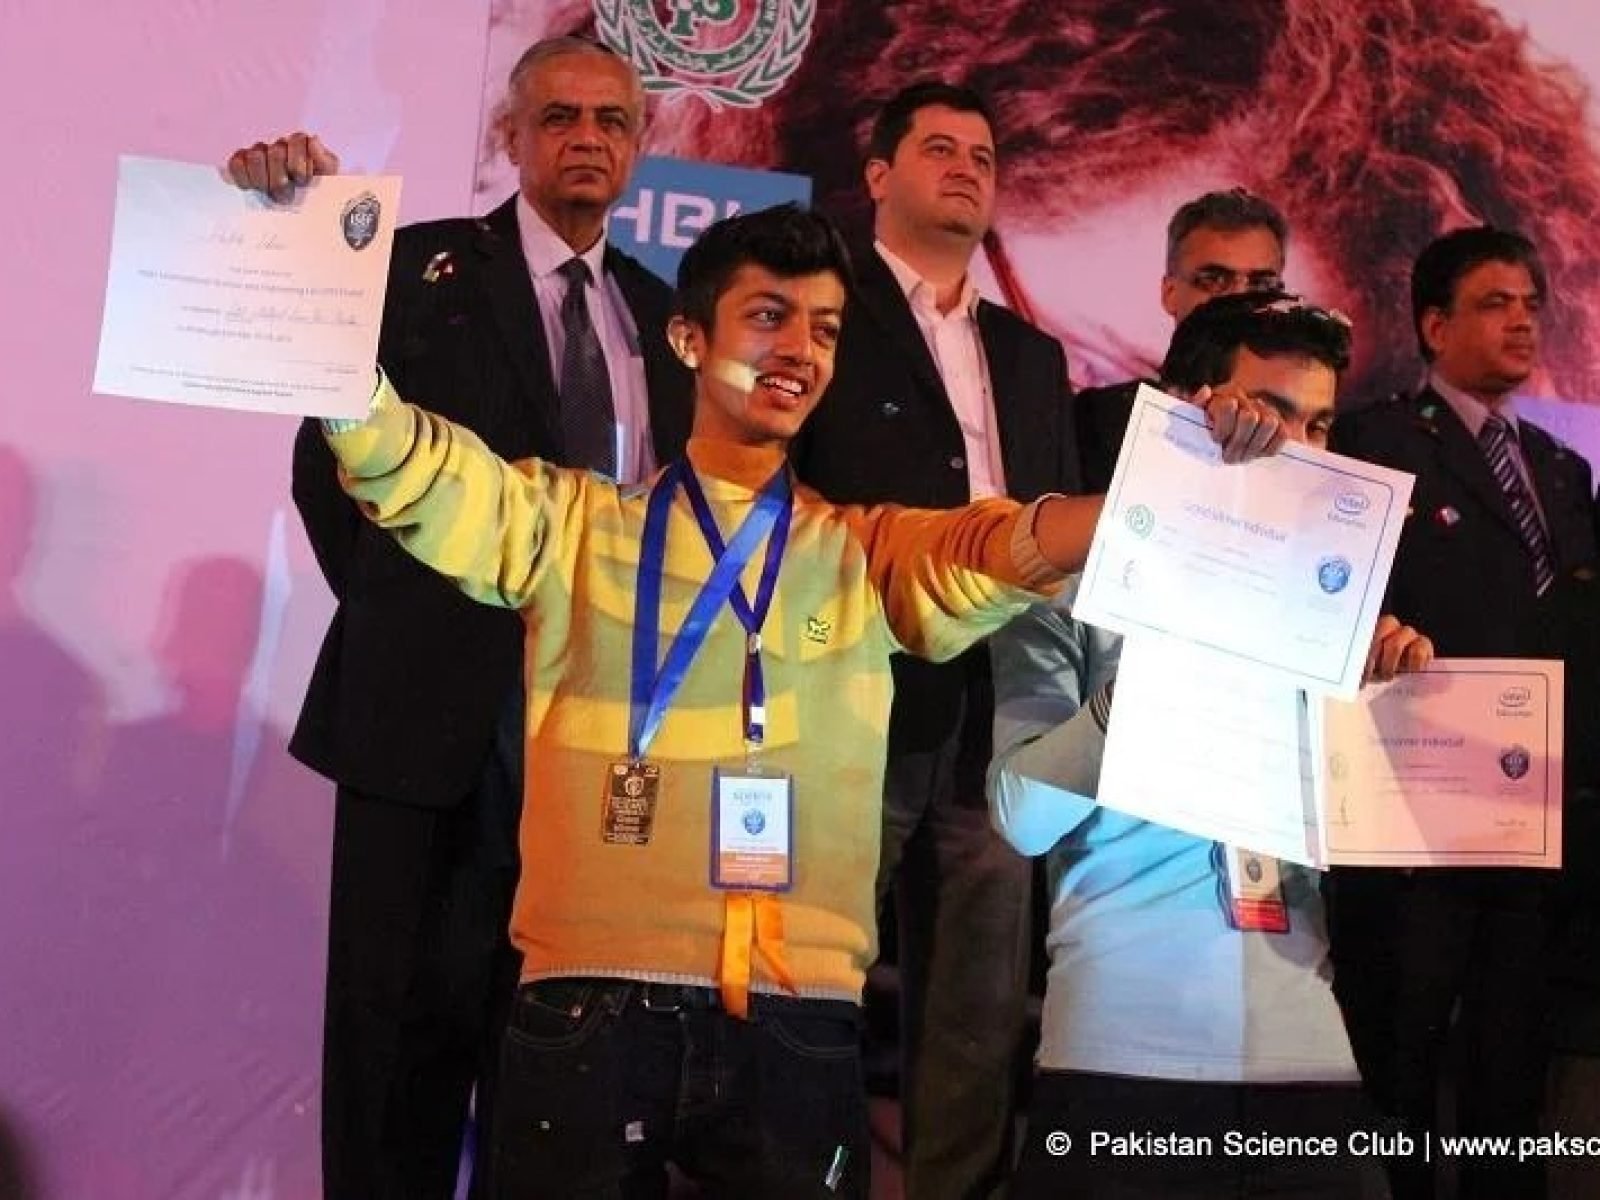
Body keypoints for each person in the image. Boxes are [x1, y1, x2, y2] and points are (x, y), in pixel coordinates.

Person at [312, 203, 1287, 1198]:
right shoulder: (567, 525)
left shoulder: (860, 555)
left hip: (800, 1018)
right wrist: (310, 314)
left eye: (823, 329)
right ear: (688, 338)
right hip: (590, 1008)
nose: (800, 351)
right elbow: (421, 471)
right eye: (768, 318)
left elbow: (1003, 543)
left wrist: (1179, 479)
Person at [225, 35, 693, 1199]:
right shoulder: (410, 267)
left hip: (588, 737)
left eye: (610, 121)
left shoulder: (667, 318)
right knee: (396, 1050)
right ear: (511, 139)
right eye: (559, 118)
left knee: (550, 1057)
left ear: (638, 147)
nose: (586, 138)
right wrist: (411, 622)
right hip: (423, 720)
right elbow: (321, 472)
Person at [989, 290, 1427, 1198]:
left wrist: (1393, 708)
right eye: (1272, 417)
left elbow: (1368, 836)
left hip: (1306, 1051)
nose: (1301, 451)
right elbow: (1020, 817)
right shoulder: (1067, 588)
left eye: (1321, 425)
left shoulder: (1333, 612)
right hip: (1120, 1050)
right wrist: (1149, 673)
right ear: (1195, 409)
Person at [775, 81, 1081, 1198]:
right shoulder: (821, 310)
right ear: (877, 175)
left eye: (984, 155)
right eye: (938, 148)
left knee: (978, 1006)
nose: (966, 168)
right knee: (811, 980)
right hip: (853, 687)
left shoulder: (1033, 356)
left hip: (1003, 709)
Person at [1326, 227, 1599, 1199]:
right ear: (1433, 327)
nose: (1522, 318)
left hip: (1532, 824)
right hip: (1415, 815)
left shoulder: (1561, 472)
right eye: (1494, 303)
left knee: (1506, 1073)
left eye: (1530, 301)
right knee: (1398, 1062)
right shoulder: (1378, 444)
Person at [1074, 189, 1289, 491]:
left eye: (1261, 284)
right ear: (1169, 293)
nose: (1240, 298)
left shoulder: (1311, 425)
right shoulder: (1097, 422)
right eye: (1214, 279)